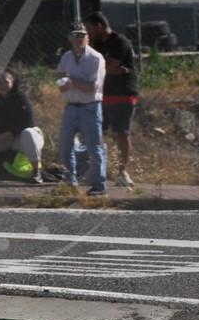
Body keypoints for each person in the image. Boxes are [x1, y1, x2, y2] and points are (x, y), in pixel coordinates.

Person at [85, 12, 139, 188]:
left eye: (90, 28)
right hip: (102, 94)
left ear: (99, 25)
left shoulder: (119, 42)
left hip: (122, 94)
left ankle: (122, 172)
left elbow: (106, 67)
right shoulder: (96, 44)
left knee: (121, 133)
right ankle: (97, 169)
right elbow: (88, 65)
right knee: (95, 132)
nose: (88, 32)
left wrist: (109, 69)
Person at [57, 22, 107, 196]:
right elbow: (60, 80)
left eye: (82, 35)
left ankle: (99, 185)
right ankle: (70, 181)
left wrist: (71, 82)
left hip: (90, 108)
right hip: (71, 107)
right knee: (65, 145)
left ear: (88, 37)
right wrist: (64, 82)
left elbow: (92, 88)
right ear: (69, 38)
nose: (79, 38)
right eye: (75, 35)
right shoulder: (66, 57)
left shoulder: (96, 58)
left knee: (94, 147)